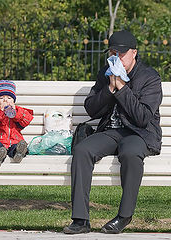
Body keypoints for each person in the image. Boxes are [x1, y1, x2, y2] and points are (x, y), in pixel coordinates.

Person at [63, 30, 162, 234]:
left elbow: (143, 118)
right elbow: (91, 108)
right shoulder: (105, 73)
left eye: (121, 53)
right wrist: (109, 89)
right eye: (113, 53)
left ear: (134, 53)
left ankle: (124, 216)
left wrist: (122, 88)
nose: (116, 57)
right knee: (82, 151)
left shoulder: (150, 77)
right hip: (111, 131)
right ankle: (81, 220)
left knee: (130, 153)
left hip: (139, 134)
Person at [0, 80, 33, 167]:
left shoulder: (18, 110)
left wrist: (16, 112)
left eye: (9, 98)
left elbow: (26, 120)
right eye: (1, 98)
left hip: (14, 139)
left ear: (13, 101)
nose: (5, 101)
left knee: (17, 145)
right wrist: (0, 111)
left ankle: (18, 153)